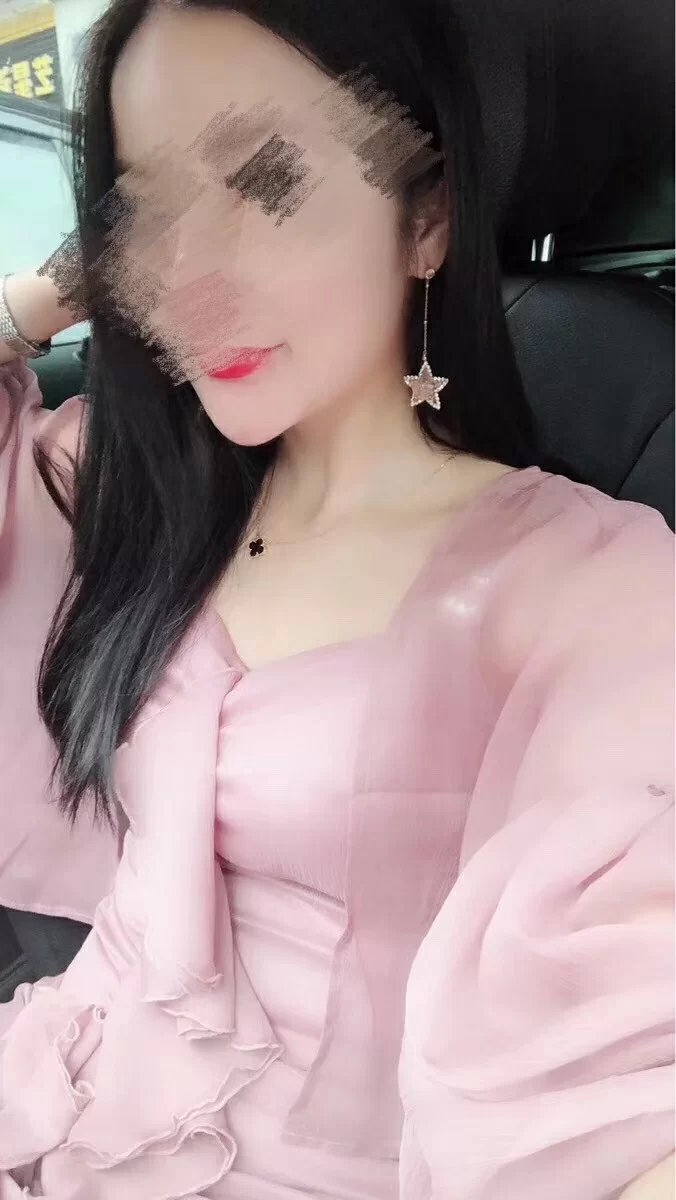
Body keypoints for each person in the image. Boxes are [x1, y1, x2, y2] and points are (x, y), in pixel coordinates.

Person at [0, 0, 673, 1197]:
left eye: (267, 183)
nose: (191, 279)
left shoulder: (585, 583)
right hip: (58, 1094)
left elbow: (631, 1046)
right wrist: (47, 296)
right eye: (148, 214)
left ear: (428, 220)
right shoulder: (120, 489)